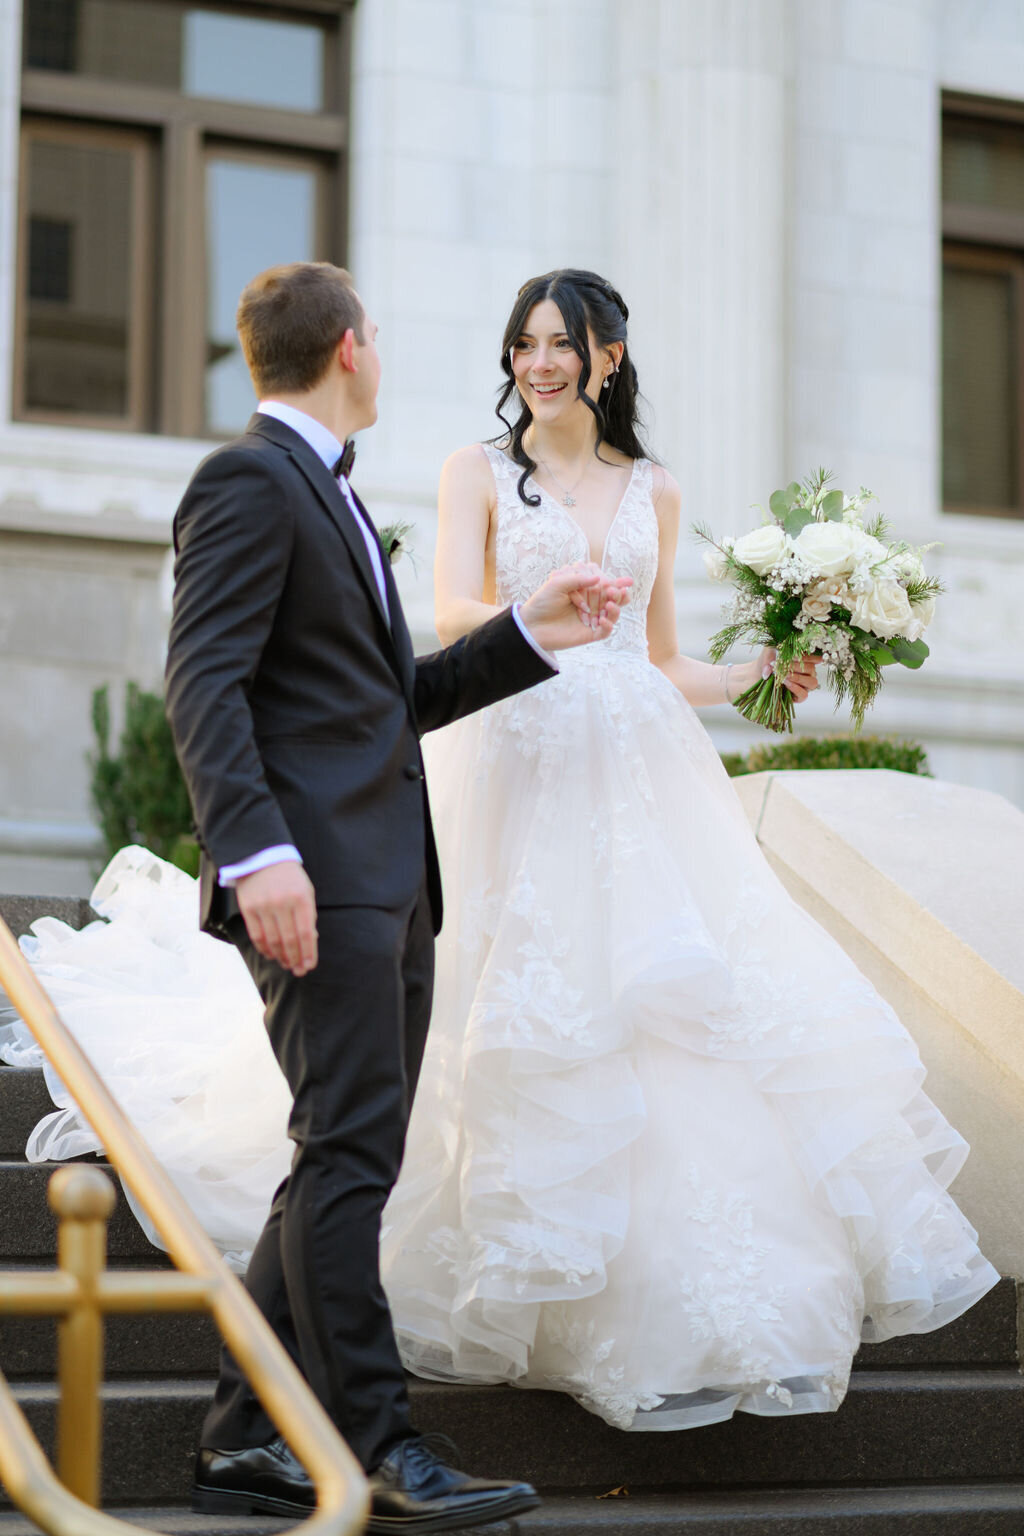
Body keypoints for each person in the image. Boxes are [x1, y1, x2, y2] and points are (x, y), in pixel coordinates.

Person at [0, 268, 997, 1446]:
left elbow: (653, 657)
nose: (538, 361)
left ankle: (289, 1421)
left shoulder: (647, 491)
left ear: (607, 358)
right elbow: (393, 639)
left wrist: (752, 678)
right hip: (497, 764)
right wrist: (535, 622)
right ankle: (356, 1437)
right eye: (523, 342)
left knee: (640, 1033)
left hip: (631, 774)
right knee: (400, 1101)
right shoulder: (427, 474)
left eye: (560, 343)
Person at [161, 260, 630, 1526]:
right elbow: (200, 684)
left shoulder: (328, 494)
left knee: (335, 1154)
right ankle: (376, 1441)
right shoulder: (251, 479)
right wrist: (259, 858)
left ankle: (239, 1437)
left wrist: (531, 635)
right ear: (352, 348)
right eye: (378, 328)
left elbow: (388, 707)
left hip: (381, 880)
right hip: (316, 883)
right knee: (352, 1159)